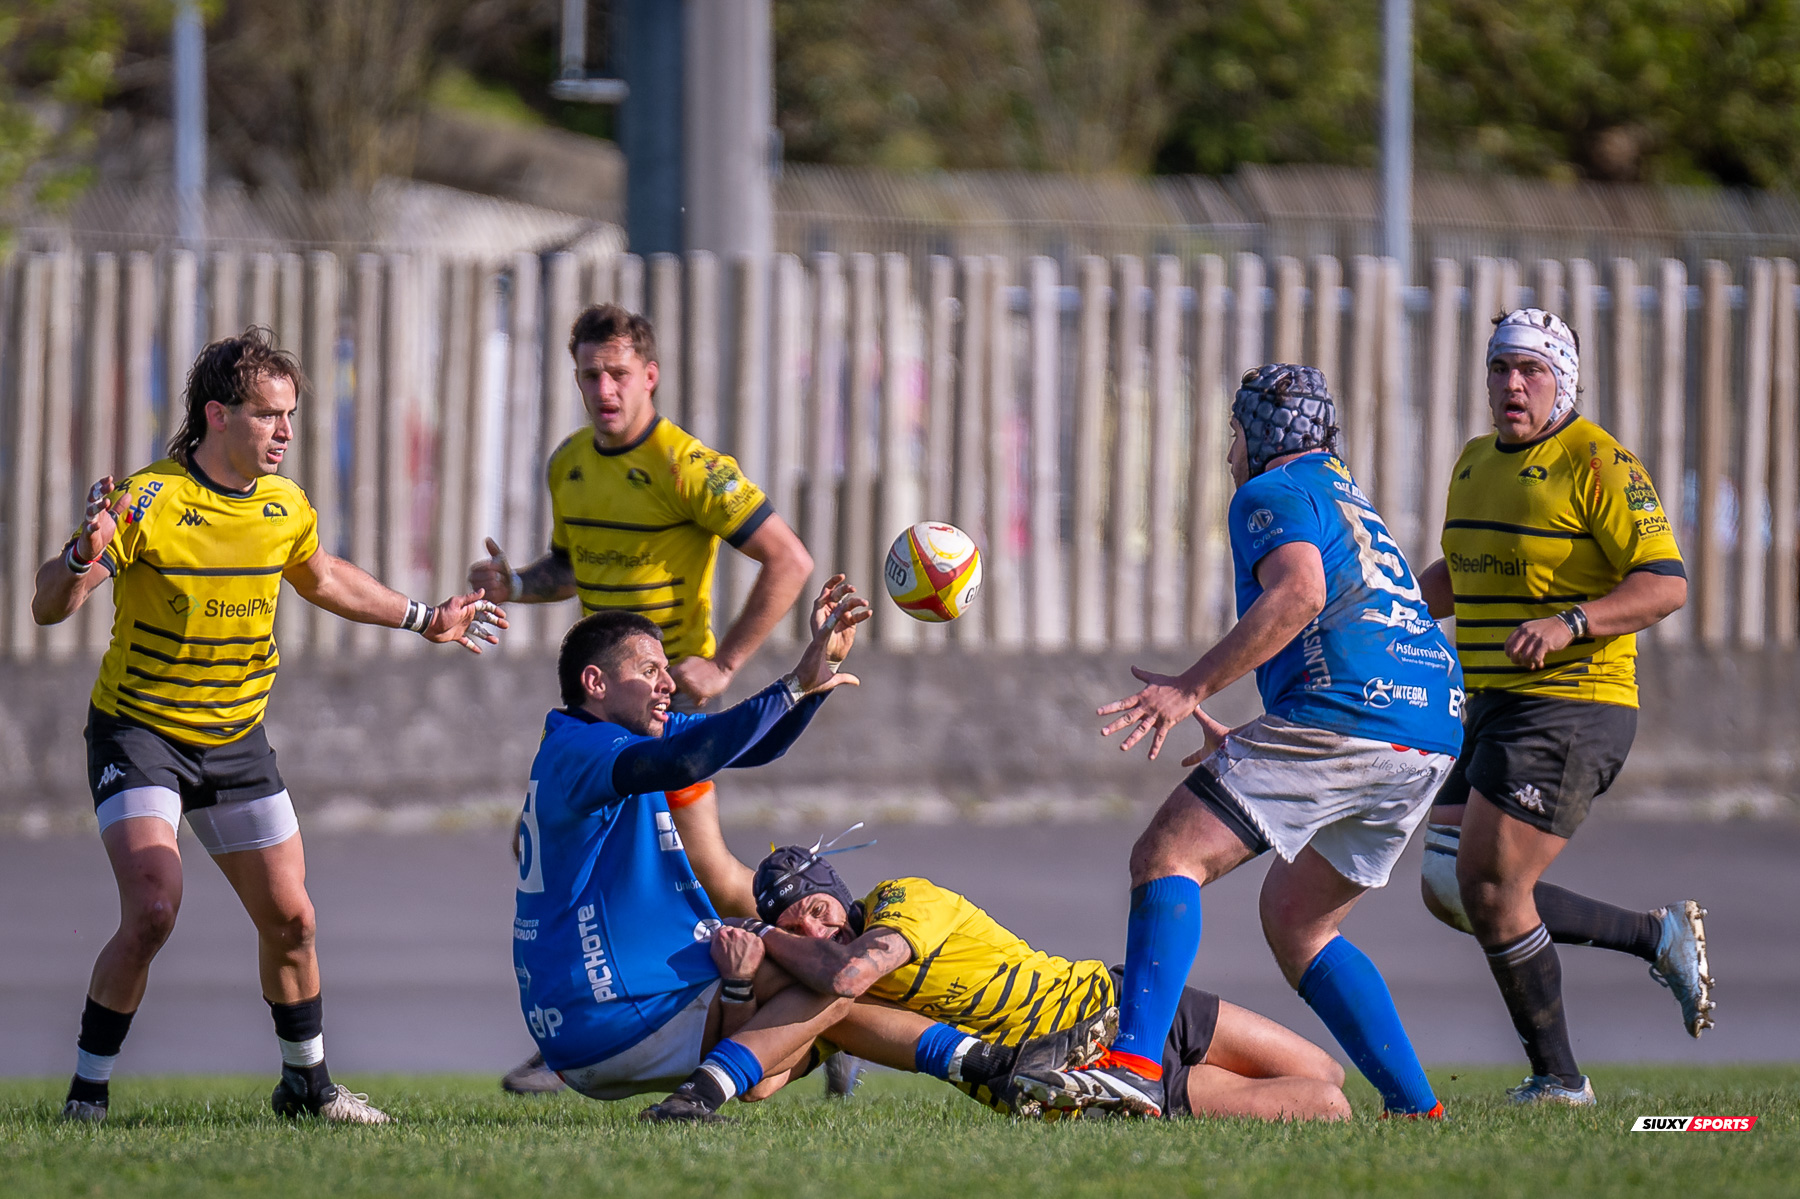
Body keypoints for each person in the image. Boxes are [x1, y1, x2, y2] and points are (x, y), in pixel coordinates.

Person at [31, 329, 504, 1125]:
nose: (285, 431)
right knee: (152, 910)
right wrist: (83, 554)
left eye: (290, 415)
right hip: (140, 734)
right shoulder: (149, 499)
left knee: (293, 918)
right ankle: (86, 1096)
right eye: (268, 415)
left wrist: (425, 617)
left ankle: (307, 1087)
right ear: (217, 415)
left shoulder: (284, 505)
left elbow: (321, 575)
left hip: (237, 740)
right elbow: (49, 605)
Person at [1017, 365, 1464, 1120]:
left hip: (1352, 714)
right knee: (1301, 921)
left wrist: (1190, 688)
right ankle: (1419, 1109)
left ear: (1261, 436)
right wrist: (1271, 728)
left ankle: (1131, 1068)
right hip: (1431, 722)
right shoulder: (1345, 495)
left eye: (1234, 434)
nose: (1230, 453)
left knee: (1167, 855)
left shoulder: (1269, 492)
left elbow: (1301, 594)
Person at [472, 303, 827, 1095]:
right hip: (612, 716)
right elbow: (569, 568)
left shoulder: (688, 466)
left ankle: (823, 990)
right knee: (571, 859)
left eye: (618, 373)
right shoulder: (569, 462)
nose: (604, 387)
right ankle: (593, 1011)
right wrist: (517, 585)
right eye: (590, 373)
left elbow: (790, 560)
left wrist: (724, 661)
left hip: (667, 719)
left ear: (650, 376)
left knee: (715, 876)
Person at [1413, 308, 1710, 1107]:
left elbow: (1666, 583)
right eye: (1501, 368)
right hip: (1495, 705)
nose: (1514, 384)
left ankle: (1560, 1079)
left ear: (1563, 381)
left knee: (1486, 882)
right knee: (1451, 886)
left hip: (1574, 703)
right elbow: (1462, 572)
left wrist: (1570, 621)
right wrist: (1389, 604)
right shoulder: (1475, 462)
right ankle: (1657, 936)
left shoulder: (1599, 461)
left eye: (1532, 371)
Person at [514, 575, 870, 1121]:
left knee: (801, 1029)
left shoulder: (613, 733)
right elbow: (685, 763)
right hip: (614, 1016)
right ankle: (991, 1063)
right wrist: (793, 685)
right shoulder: (585, 748)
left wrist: (809, 684)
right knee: (842, 973)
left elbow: (755, 745)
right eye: (648, 671)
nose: (665, 683)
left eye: (664, 670)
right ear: (596, 682)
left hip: (588, 1027)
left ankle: (990, 1065)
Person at [748, 846, 1351, 1121]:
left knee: (1326, 1073)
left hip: (1120, 999)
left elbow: (856, 971)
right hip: (1081, 1073)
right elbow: (763, 1084)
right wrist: (739, 982)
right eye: (793, 925)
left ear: (837, 888)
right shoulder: (829, 996)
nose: (812, 927)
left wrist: (766, 937)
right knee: (1326, 1108)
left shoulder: (902, 900)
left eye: (816, 907)